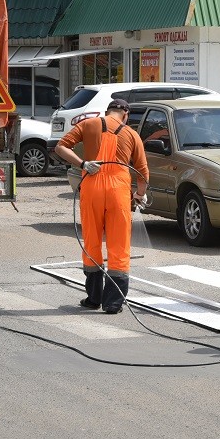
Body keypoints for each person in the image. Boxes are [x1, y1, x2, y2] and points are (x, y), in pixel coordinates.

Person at [54, 98, 149, 314]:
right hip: (119, 191)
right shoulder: (132, 134)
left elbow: (61, 147)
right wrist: (139, 195)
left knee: (92, 242)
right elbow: (143, 172)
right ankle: (113, 303)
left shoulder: (88, 124)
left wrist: (83, 164)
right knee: (119, 246)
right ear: (126, 115)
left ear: (107, 111)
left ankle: (93, 298)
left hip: (92, 186)